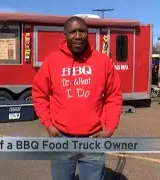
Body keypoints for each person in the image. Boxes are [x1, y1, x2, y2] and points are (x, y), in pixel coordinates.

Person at [32, 16, 122, 180]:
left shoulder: (103, 62)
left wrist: (109, 128)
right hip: (61, 138)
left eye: (82, 31)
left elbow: (113, 96)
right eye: (73, 31)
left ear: (88, 34)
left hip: (93, 139)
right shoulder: (52, 61)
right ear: (65, 34)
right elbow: (39, 94)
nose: (78, 35)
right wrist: (48, 124)